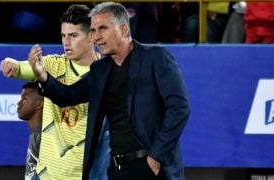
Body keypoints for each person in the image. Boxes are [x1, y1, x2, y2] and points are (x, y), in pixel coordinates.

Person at [29, 2, 190, 180]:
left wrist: (155, 158)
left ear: (123, 29)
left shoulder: (155, 57)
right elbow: (69, 95)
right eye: (94, 30)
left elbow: (179, 109)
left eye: (103, 29)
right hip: (116, 169)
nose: (96, 37)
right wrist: (42, 76)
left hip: (150, 168)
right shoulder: (100, 70)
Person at [0, 4, 104, 179]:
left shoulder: (106, 72)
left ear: (91, 36)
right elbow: (24, 68)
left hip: (84, 175)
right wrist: (12, 65)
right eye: (63, 36)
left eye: (73, 36)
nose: (66, 42)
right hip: (47, 174)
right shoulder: (52, 65)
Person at [17, 81, 43, 180]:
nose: (18, 103)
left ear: (39, 103)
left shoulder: (43, 137)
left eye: (24, 99)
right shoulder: (36, 134)